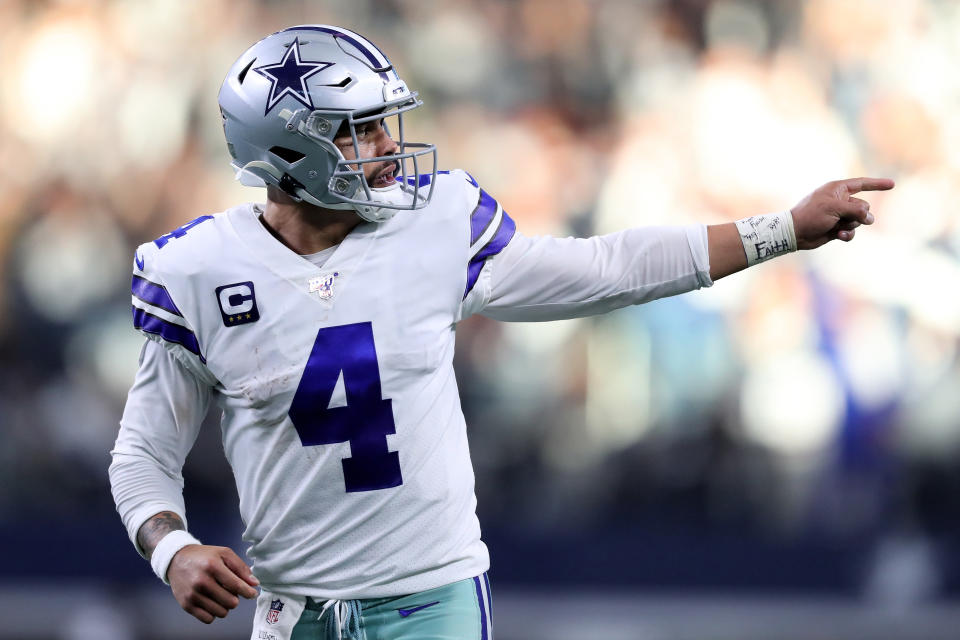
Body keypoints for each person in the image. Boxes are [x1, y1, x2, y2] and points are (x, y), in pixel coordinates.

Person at [109, 24, 893, 640]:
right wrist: (171, 547)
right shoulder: (199, 271)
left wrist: (780, 230)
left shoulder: (439, 223)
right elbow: (144, 451)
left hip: (430, 600)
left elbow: (605, 269)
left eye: (387, 124)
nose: (388, 148)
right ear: (285, 151)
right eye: (360, 131)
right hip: (291, 613)